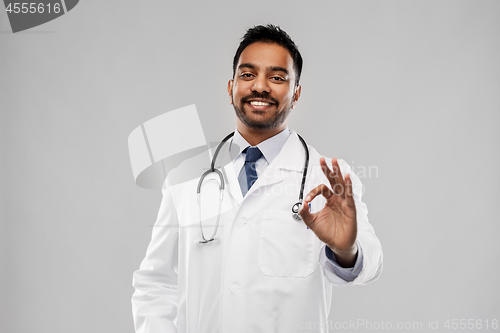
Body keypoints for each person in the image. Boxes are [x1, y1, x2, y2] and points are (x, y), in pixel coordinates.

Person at [132, 24, 383, 333]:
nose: (260, 86)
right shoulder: (185, 178)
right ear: (230, 88)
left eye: (277, 78)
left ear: (296, 93)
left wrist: (346, 251)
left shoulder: (329, 178)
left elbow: (370, 262)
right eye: (248, 75)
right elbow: (156, 281)